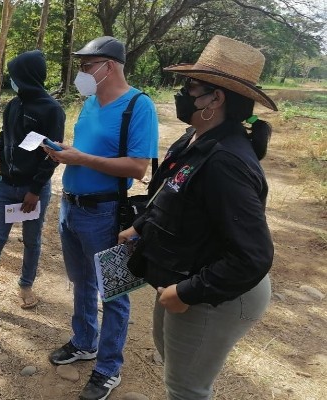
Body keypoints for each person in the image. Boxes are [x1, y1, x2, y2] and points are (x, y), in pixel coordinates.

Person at [118, 35, 276, 399]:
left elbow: (253, 255)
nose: (181, 93)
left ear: (215, 98)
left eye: (190, 86)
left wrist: (189, 291)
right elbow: (174, 194)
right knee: (174, 366)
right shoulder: (195, 138)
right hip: (182, 276)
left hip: (215, 293)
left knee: (186, 389)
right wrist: (140, 226)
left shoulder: (225, 161)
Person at [45, 36, 159, 400]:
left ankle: (108, 368)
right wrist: (64, 153)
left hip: (106, 212)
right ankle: (83, 342)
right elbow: (87, 150)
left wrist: (81, 159)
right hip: (70, 206)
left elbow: (138, 167)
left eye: (85, 65)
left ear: (108, 66)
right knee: (81, 282)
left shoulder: (138, 106)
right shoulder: (90, 103)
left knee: (114, 293)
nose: (80, 72)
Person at [0, 50, 65, 322]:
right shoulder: (13, 104)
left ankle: (25, 284)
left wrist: (35, 190)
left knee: (32, 241)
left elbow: (52, 153)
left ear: (28, 76)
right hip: (5, 186)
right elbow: (5, 133)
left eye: (15, 75)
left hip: (32, 191)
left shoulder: (52, 109)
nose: (12, 80)